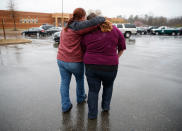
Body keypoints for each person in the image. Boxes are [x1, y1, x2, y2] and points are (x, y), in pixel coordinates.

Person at [57, 8, 105, 113]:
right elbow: (96, 21)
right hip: (74, 61)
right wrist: (103, 18)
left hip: (61, 60)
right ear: (82, 17)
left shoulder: (66, 27)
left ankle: (65, 106)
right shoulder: (78, 26)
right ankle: (80, 98)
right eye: (84, 16)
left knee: (64, 83)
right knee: (79, 81)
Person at [81, 13, 126, 119]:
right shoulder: (115, 30)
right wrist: (115, 58)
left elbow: (83, 48)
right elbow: (122, 47)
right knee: (108, 86)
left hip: (91, 66)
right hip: (110, 66)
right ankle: (105, 107)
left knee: (93, 90)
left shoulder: (87, 32)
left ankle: (92, 115)